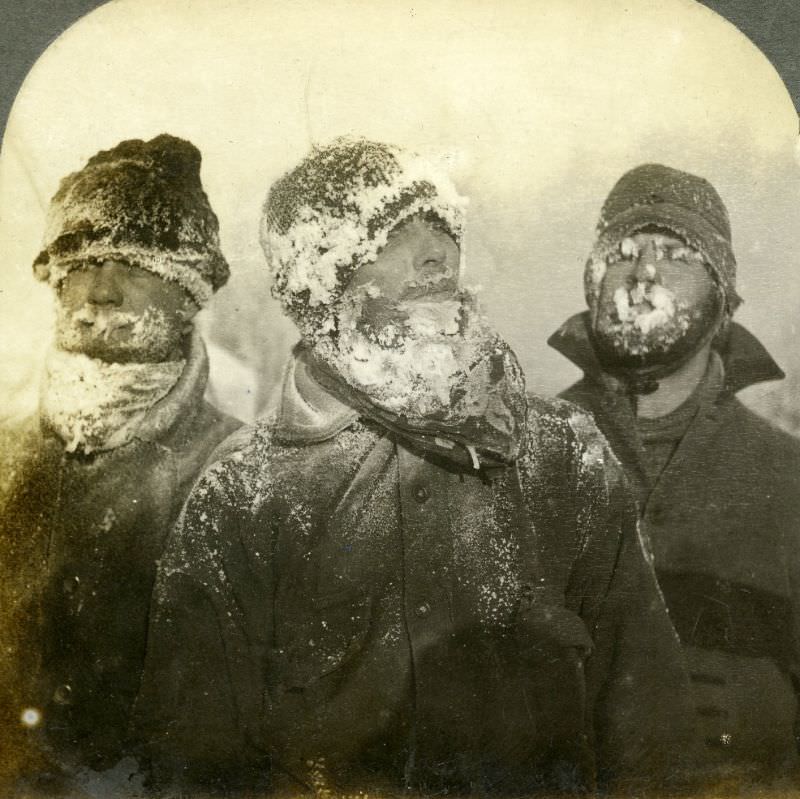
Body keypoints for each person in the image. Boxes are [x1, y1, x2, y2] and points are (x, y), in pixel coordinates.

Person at [136, 138, 692, 796]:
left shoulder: (560, 453)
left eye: (442, 226)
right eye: (396, 230)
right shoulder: (246, 490)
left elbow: (651, 729)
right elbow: (194, 760)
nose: (436, 251)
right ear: (323, 274)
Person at [0, 134, 241, 792]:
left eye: (133, 264)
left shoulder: (243, 471)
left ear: (187, 291)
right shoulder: (3, 457)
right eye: (81, 262)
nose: (101, 290)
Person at [549, 163, 800, 787]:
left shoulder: (788, 479)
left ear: (722, 299)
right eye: (622, 254)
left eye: (676, 253)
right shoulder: (524, 458)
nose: (644, 273)